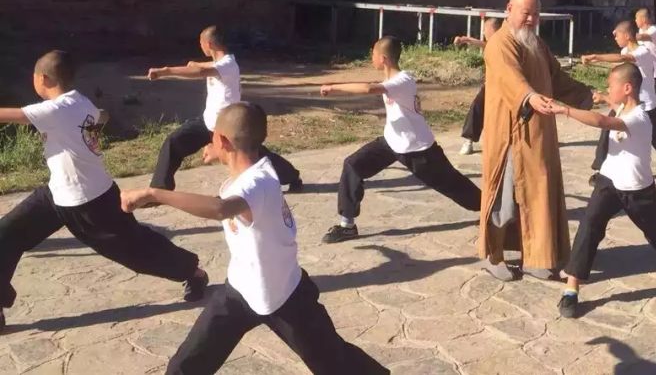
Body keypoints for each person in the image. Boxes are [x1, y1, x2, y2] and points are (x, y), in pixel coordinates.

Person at [121, 103, 387, 375]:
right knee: (186, 366)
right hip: (239, 291)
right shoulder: (253, 172)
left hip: (283, 295)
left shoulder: (257, 182)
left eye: (212, 136)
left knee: (336, 364)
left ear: (223, 140)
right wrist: (221, 152)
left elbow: (220, 209)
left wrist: (154, 194)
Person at [0, 51, 207, 332]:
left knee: (135, 250)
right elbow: (102, 116)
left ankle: (192, 272)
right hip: (56, 193)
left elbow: (7, 115)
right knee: (7, 234)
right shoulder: (79, 101)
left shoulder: (54, 110)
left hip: (92, 200)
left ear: (43, 78)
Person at [535, 63, 656, 319]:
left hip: (638, 189)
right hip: (609, 182)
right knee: (589, 227)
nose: (607, 89)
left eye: (611, 86)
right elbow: (610, 106)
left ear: (627, 88)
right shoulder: (624, 106)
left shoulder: (638, 118)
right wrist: (601, 97)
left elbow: (602, 120)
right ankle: (571, 290)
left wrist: (565, 110)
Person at [478, 0, 594, 283]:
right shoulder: (499, 43)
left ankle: (536, 257)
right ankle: (492, 255)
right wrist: (529, 97)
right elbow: (509, 78)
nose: (530, 19)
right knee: (503, 200)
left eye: (535, 14)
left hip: (539, 135)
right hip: (510, 136)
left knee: (539, 196)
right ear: (509, 9)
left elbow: (556, 78)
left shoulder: (537, 44)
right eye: (525, 12)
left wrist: (588, 94)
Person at [318, 36, 481, 243]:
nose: (372, 57)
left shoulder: (403, 80)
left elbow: (369, 89)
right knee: (353, 165)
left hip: (418, 149)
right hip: (391, 142)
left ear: (383, 58)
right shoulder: (392, 81)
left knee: (454, 185)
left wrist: (333, 87)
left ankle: (493, 210)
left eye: (374, 54)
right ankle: (347, 225)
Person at [147, 26, 302, 192]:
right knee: (173, 143)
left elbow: (200, 71)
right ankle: (160, 189)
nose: (200, 46)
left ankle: (292, 176)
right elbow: (202, 66)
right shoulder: (221, 63)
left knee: (257, 157)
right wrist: (193, 64)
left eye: (201, 42)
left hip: (228, 126)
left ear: (209, 44)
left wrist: (165, 71)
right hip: (208, 122)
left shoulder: (227, 64)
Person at [582, 21, 656, 175]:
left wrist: (595, 57)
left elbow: (626, 59)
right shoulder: (625, 50)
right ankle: (600, 170)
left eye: (617, 35)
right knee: (607, 133)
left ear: (627, 36)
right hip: (626, 105)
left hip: (647, 105)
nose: (615, 38)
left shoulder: (643, 51)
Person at [454, 17, 500, 155]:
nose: (484, 32)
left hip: (506, 87)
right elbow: (483, 44)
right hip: (490, 86)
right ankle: (469, 140)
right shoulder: (492, 43)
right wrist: (465, 39)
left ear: (492, 30)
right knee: (477, 107)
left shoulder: (504, 44)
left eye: (485, 29)